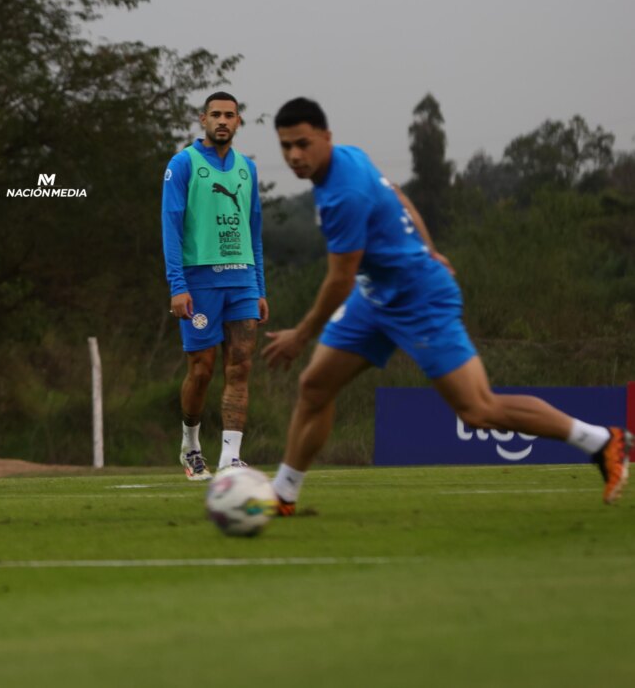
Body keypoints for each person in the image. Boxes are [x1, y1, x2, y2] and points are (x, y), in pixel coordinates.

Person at [261, 97, 631, 514]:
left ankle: (600, 440)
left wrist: (301, 334)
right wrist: (430, 247)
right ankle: (284, 494)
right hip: (375, 297)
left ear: (326, 138)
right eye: (286, 146)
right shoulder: (348, 158)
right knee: (315, 386)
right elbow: (399, 196)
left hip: (420, 298)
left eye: (303, 144)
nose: (294, 155)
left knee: (478, 409)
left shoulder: (343, 194)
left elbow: (339, 278)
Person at [161, 91, 267, 480]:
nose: (223, 121)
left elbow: (255, 230)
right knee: (202, 370)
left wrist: (259, 287)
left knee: (240, 366)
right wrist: (177, 285)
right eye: (216, 114)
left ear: (238, 122)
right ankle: (191, 447)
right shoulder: (183, 164)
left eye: (230, 115)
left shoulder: (248, 169)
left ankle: (231, 458)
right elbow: (170, 228)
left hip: (242, 279)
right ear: (202, 119)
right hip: (199, 280)